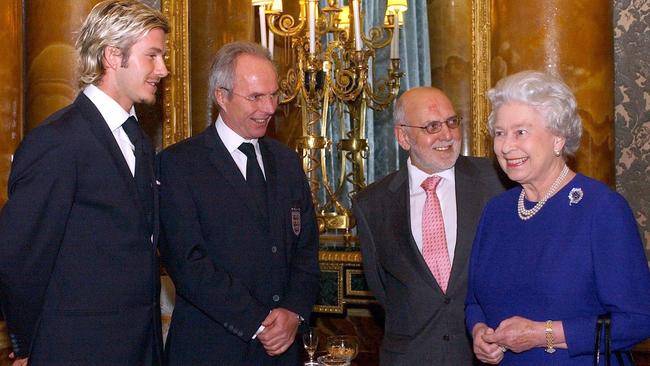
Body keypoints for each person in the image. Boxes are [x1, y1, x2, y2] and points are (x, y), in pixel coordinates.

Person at [0, 1, 169, 365]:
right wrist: (31, 347)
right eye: (152, 56)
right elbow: (20, 258)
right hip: (72, 350)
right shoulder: (58, 141)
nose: (163, 69)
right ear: (112, 56)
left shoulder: (139, 139)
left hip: (139, 349)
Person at [465, 70, 650, 365]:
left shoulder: (602, 209)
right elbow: (474, 301)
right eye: (500, 133)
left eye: (520, 132)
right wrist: (478, 333)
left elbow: (639, 319)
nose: (506, 145)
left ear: (558, 139)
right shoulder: (497, 211)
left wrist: (542, 334)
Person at [157, 41, 320, 366]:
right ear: (222, 96)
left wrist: (292, 312)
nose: (270, 108)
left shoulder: (287, 163)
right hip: (212, 349)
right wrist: (259, 321)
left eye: (274, 95)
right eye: (256, 97)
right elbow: (189, 264)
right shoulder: (178, 165)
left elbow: (306, 251)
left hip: (283, 350)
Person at [352, 86, 508, 365]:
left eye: (451, 122)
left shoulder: (495, 181)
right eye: (432, 126)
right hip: (410, 357)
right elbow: (382, 288)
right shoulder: (372, 204)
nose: (446, 135)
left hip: (486, 355)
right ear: (403, 136)